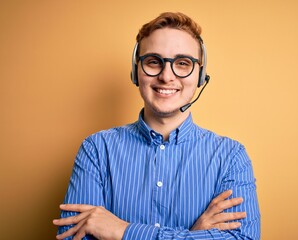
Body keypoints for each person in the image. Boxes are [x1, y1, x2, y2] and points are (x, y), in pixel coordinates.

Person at [53, 12, 261, 240]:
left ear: (200, 75)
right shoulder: (96, 150)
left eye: (183, 63)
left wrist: (122, 231)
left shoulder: (231, 157)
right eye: (154, 61)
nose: (166, 76)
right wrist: (193, 235)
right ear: (136, 71)